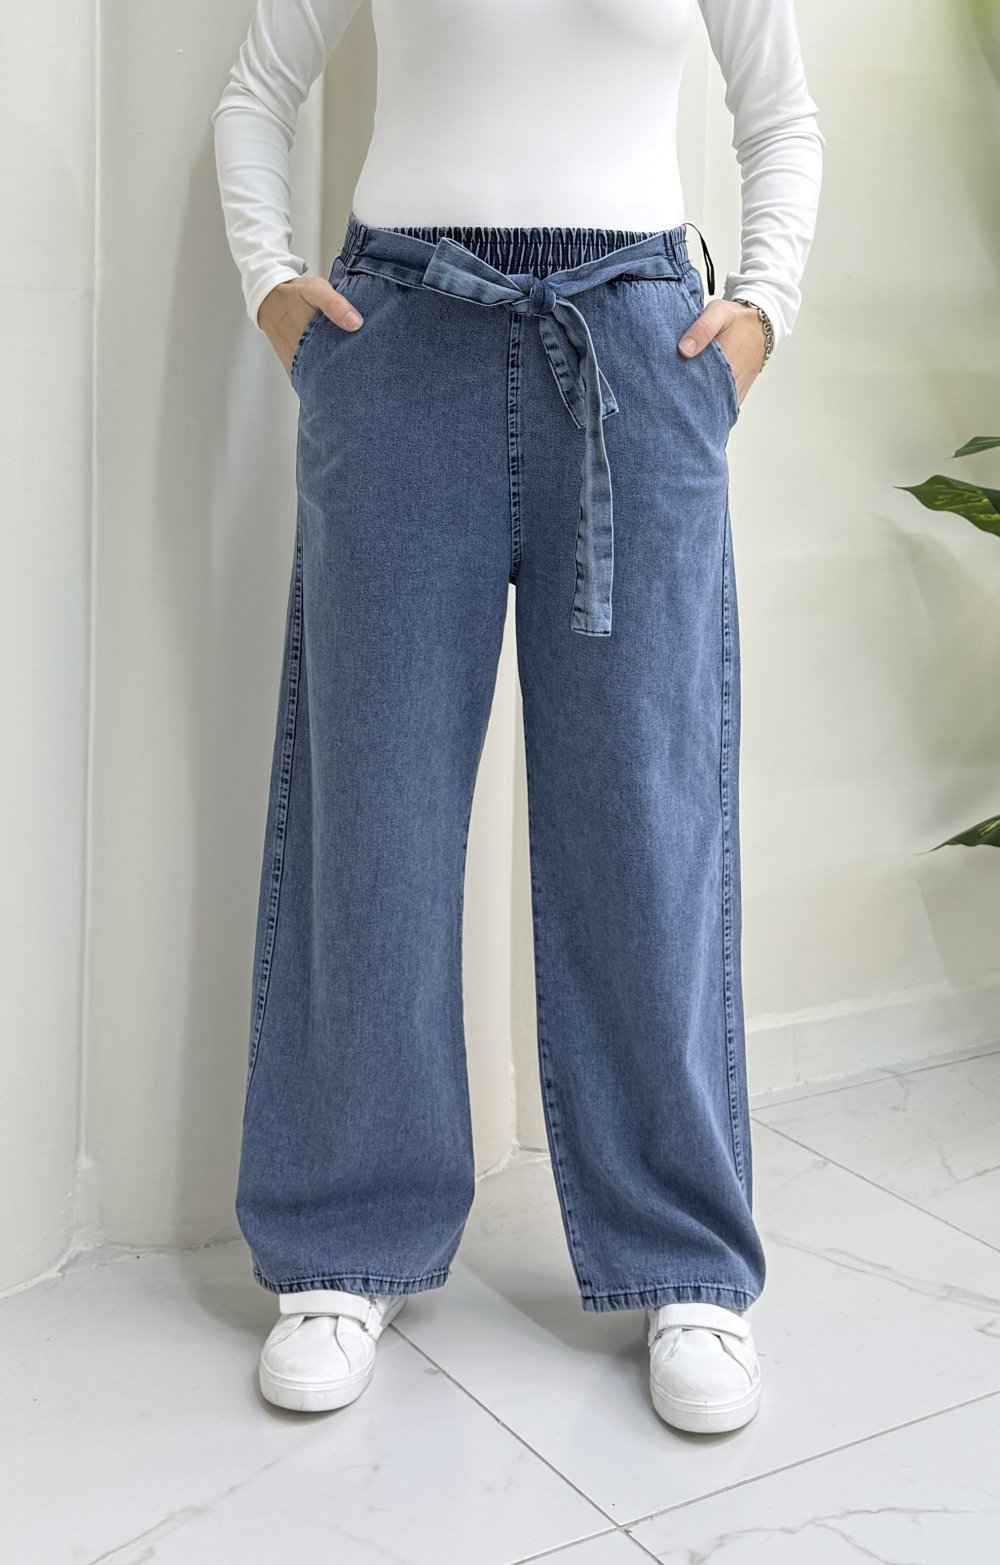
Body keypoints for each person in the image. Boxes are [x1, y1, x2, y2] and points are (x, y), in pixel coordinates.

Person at [211, 0, 823, 1433]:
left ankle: (684, 1259)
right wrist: (275, 288)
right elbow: (255, 89)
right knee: (378, 801)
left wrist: (763, 311)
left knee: (647, 814)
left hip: (642, 350)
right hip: (399, 339)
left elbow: (781, 113)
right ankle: (344, 1240)